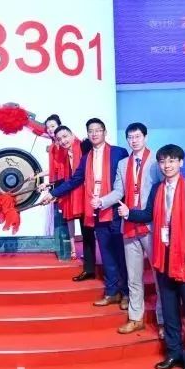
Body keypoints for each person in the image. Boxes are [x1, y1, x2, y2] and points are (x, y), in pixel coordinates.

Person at [122, 144, 185, 369]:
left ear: (181, 162)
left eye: (171, 161)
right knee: (169, 309)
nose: (167, 165)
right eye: (163, 161)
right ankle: (174, 352)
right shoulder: (158, 188)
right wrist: (129, 213)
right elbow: (148, 214)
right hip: (163, 257)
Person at [45, 118, 128, 306]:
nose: (94, 134)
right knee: (106, 254)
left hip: (115, 210)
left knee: (120, 254)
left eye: (98, 130)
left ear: (105, 132)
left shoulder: (118, 153)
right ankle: (112, 292)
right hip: (96, 210)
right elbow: (74, 180)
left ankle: (126, 293)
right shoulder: (86, 157)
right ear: (87, 134)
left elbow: (126, 182)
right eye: (91, 131)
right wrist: (53, 193)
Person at [99, 122, 165, 335]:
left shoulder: (157, 161)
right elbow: (119, 191)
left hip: (151, 225)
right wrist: (102, 202)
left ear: (145, 137)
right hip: (128, 224)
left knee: (159, 276)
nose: (134, 140)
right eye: (130, 137)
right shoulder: (123, 164)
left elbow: (164, 191)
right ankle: (136, 318)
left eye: (137, 136)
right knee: (133, 276)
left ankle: (164, 321)